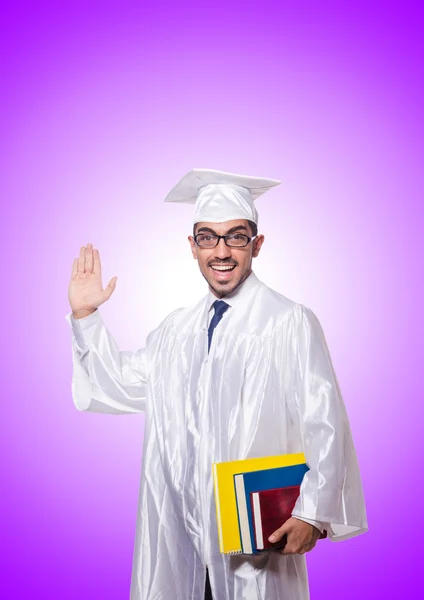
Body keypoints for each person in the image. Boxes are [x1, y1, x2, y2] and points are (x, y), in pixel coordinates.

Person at [65, 168, 368, 600]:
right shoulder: (175, 331)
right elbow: (115, 384)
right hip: (179, 541)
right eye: (207, 237)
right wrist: (85, 318)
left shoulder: (288, 322)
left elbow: (327, 423)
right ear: (192, 247)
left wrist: (313, 512)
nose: (221, 250)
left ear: (256, 244)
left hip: (255, 547)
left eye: (236, 236)